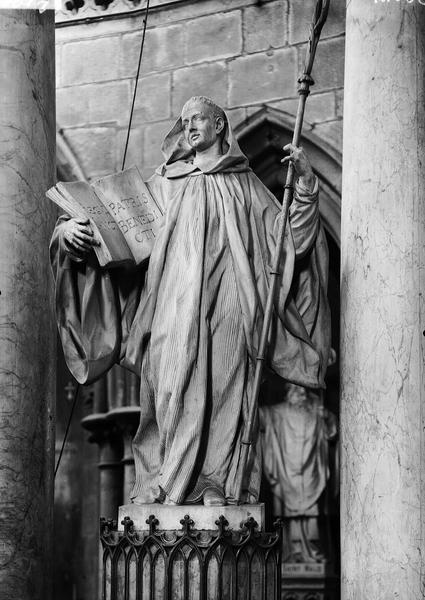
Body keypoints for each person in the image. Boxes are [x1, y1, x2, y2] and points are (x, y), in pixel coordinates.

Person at [50, 96, 331, 507]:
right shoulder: (166, 181)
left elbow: (288, 242)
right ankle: (164, 479)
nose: (189, 127)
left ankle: (214, 484)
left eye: (197, 119)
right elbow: (111, 225)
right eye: (183, 122)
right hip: (172, 306)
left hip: (231, 305)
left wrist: (305, 187)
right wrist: (69, 233)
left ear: (220, 126)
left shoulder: (245, 184)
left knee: (225, 386)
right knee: (166, 384)